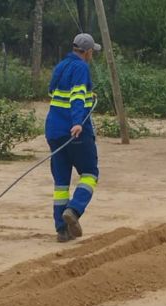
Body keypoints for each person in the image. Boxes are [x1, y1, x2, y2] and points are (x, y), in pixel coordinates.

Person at [45, 33, 101, 242]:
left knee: (61, 183)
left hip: (53, 130)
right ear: (86, 52)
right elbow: (77, 96)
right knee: (89, 173)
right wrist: (77, 122)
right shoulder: (81, 68)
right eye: (92, 52)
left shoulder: (61, 66)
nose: (92, 55)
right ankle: (74, 210)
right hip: (74, 130)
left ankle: (62, 230)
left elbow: (53, 92)